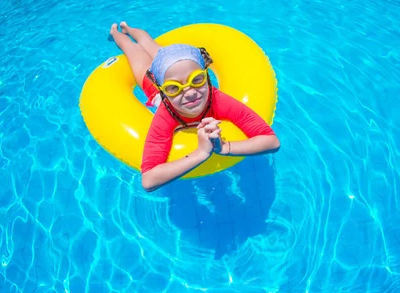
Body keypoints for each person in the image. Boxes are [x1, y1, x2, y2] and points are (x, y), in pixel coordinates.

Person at [109, 22, 280, 192]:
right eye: (173, 88)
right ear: (164, 90)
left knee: (152, 47)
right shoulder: (165, 115)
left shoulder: (217, 100)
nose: (190, 93)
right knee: (132, 51)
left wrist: (225, 147)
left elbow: (271, 141)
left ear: (206, 76)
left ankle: (130, 28)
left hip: (172, 71)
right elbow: (148, 180)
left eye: (197, 80)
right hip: (154, 91)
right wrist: (201, 153)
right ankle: (117, 32)